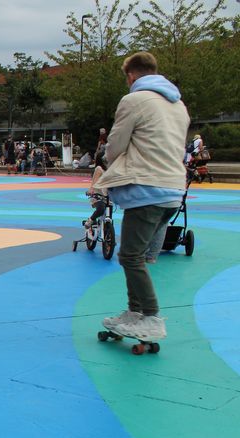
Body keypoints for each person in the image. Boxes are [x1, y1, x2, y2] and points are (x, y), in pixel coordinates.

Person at [95, 51, 189, 342]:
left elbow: (115, 145)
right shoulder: (178, 105)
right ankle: (134, 313)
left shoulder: (134, 100)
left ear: (131, 75)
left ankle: (150, 316)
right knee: (138, 256)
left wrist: (107, 162)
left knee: (131, 257)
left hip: (147, 188)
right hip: (173, 190)